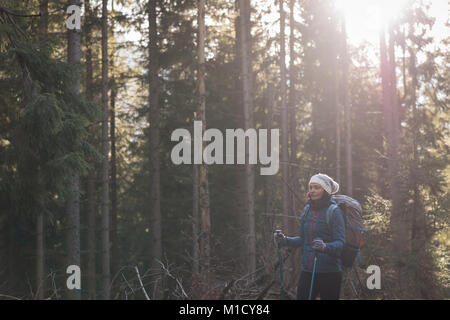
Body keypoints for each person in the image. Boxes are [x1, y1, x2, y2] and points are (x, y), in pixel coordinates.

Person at [274, 173, 346, 300]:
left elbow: (341, 243)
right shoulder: (307, 210)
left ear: (326, 190)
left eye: (317, 187)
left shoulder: (334, 211)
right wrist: (285, 241)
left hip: (330, 272)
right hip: (307, 270)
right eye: (311, 187)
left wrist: (325, 247)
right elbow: (303, 239)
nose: (312, 191)